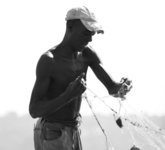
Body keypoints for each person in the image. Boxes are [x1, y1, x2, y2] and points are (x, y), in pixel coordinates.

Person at [29, 6, 132, 150]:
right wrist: (68, 96)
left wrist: (121, 87)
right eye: (86, 33)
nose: (90, 39)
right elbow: (34, 110)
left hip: (74, 130)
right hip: (51, 132)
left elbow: (112, 88)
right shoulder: (49, 60)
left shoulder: (87, 54)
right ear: (70, 26)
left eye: (92, 34)